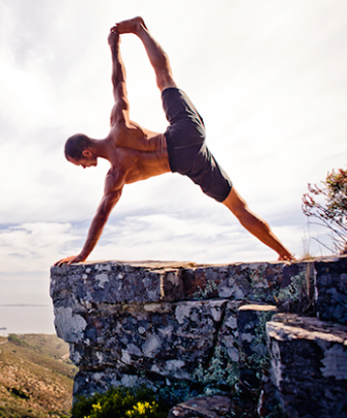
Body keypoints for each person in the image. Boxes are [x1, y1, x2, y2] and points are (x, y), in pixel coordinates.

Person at [55, 17, 294, 266]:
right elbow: (119, 83)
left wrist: (83, 255)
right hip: (185, 132)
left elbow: (102, 214)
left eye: (79, 163)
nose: (83, 168)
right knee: (165, 79)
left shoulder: (116, 175)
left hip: (185, 161)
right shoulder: (118, 125)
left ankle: (285, 254)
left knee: (237, 207)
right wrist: (114, 47)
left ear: (86, 152)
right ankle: (139, 29)